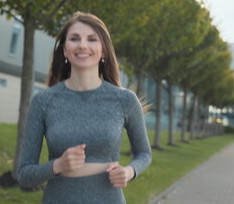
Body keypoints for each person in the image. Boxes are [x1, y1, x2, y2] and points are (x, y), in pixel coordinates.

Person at [17, 12, 152, 203]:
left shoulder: (125, 100)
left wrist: (129, 171)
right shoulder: (43, 101)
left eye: (91, 39)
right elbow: (24, 174)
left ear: (103, 51)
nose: (82, 45)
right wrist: (57, 165)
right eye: (74, 39)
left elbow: (144, 153)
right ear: (65, 51)